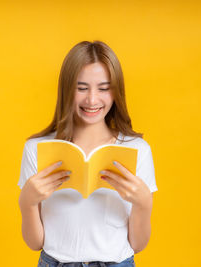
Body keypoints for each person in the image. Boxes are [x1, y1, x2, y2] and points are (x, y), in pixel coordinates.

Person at [18, 40, 158, 267]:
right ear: (66, 89)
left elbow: (138, 244)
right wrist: (27, 202)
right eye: (81, 88)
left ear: (116, 91)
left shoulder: (137, 149)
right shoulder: (37, 148)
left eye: (103, 88)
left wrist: (144, 204)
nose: (92, 100)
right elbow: (35, 242)